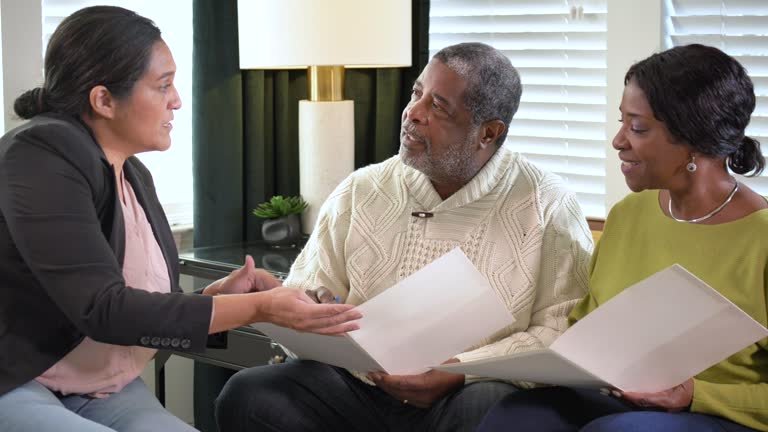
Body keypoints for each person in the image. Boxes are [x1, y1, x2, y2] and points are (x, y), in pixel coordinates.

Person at [0, 6, 361, 432]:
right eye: (163, 86)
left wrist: (224, 297)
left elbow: (144, 307)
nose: (178, 100)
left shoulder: (131, 172)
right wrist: (256, 307)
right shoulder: (40, 153)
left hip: (105, 388)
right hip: (20, 379)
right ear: (103, 100)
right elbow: (104, 309)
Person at [215, 42, 593, 432]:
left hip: (466, 392)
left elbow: (561, 331)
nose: (413, 113)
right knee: (250, 395)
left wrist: (460, 371)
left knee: (489, 407)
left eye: (438, 106)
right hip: (359, 387)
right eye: (416, 93)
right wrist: (297, 304)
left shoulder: (547, 203)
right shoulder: (363, 189)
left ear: (489, 133)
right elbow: (310, 296)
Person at [476, 44, 768, 432]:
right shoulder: (629, 215)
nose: (618, 141)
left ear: (693, 138)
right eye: (622, 123)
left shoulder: (760, 238)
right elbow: (586, 324)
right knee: (513, 416)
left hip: (716, 414)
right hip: (614, 395)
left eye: (638, 128)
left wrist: (694, 393)